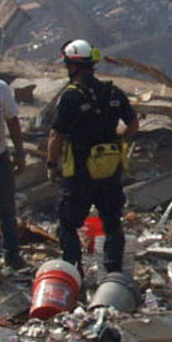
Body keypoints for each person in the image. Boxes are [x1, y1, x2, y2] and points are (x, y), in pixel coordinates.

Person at [46, 39, 138, 275]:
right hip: (110, 170)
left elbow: (56, 135)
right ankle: (114, 274)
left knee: (67, 224)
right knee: (112, 223)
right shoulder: (112, 91)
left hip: (79, 173)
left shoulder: (71, 97)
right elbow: (133, 125)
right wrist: (116, 140)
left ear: (71, 65)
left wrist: (51, 164)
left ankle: (73, 271)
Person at [0, 46, 28, 273]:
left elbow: (13, 121)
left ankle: (12, 256)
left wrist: (19, 152)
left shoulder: (0, 89)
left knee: (6, 210)